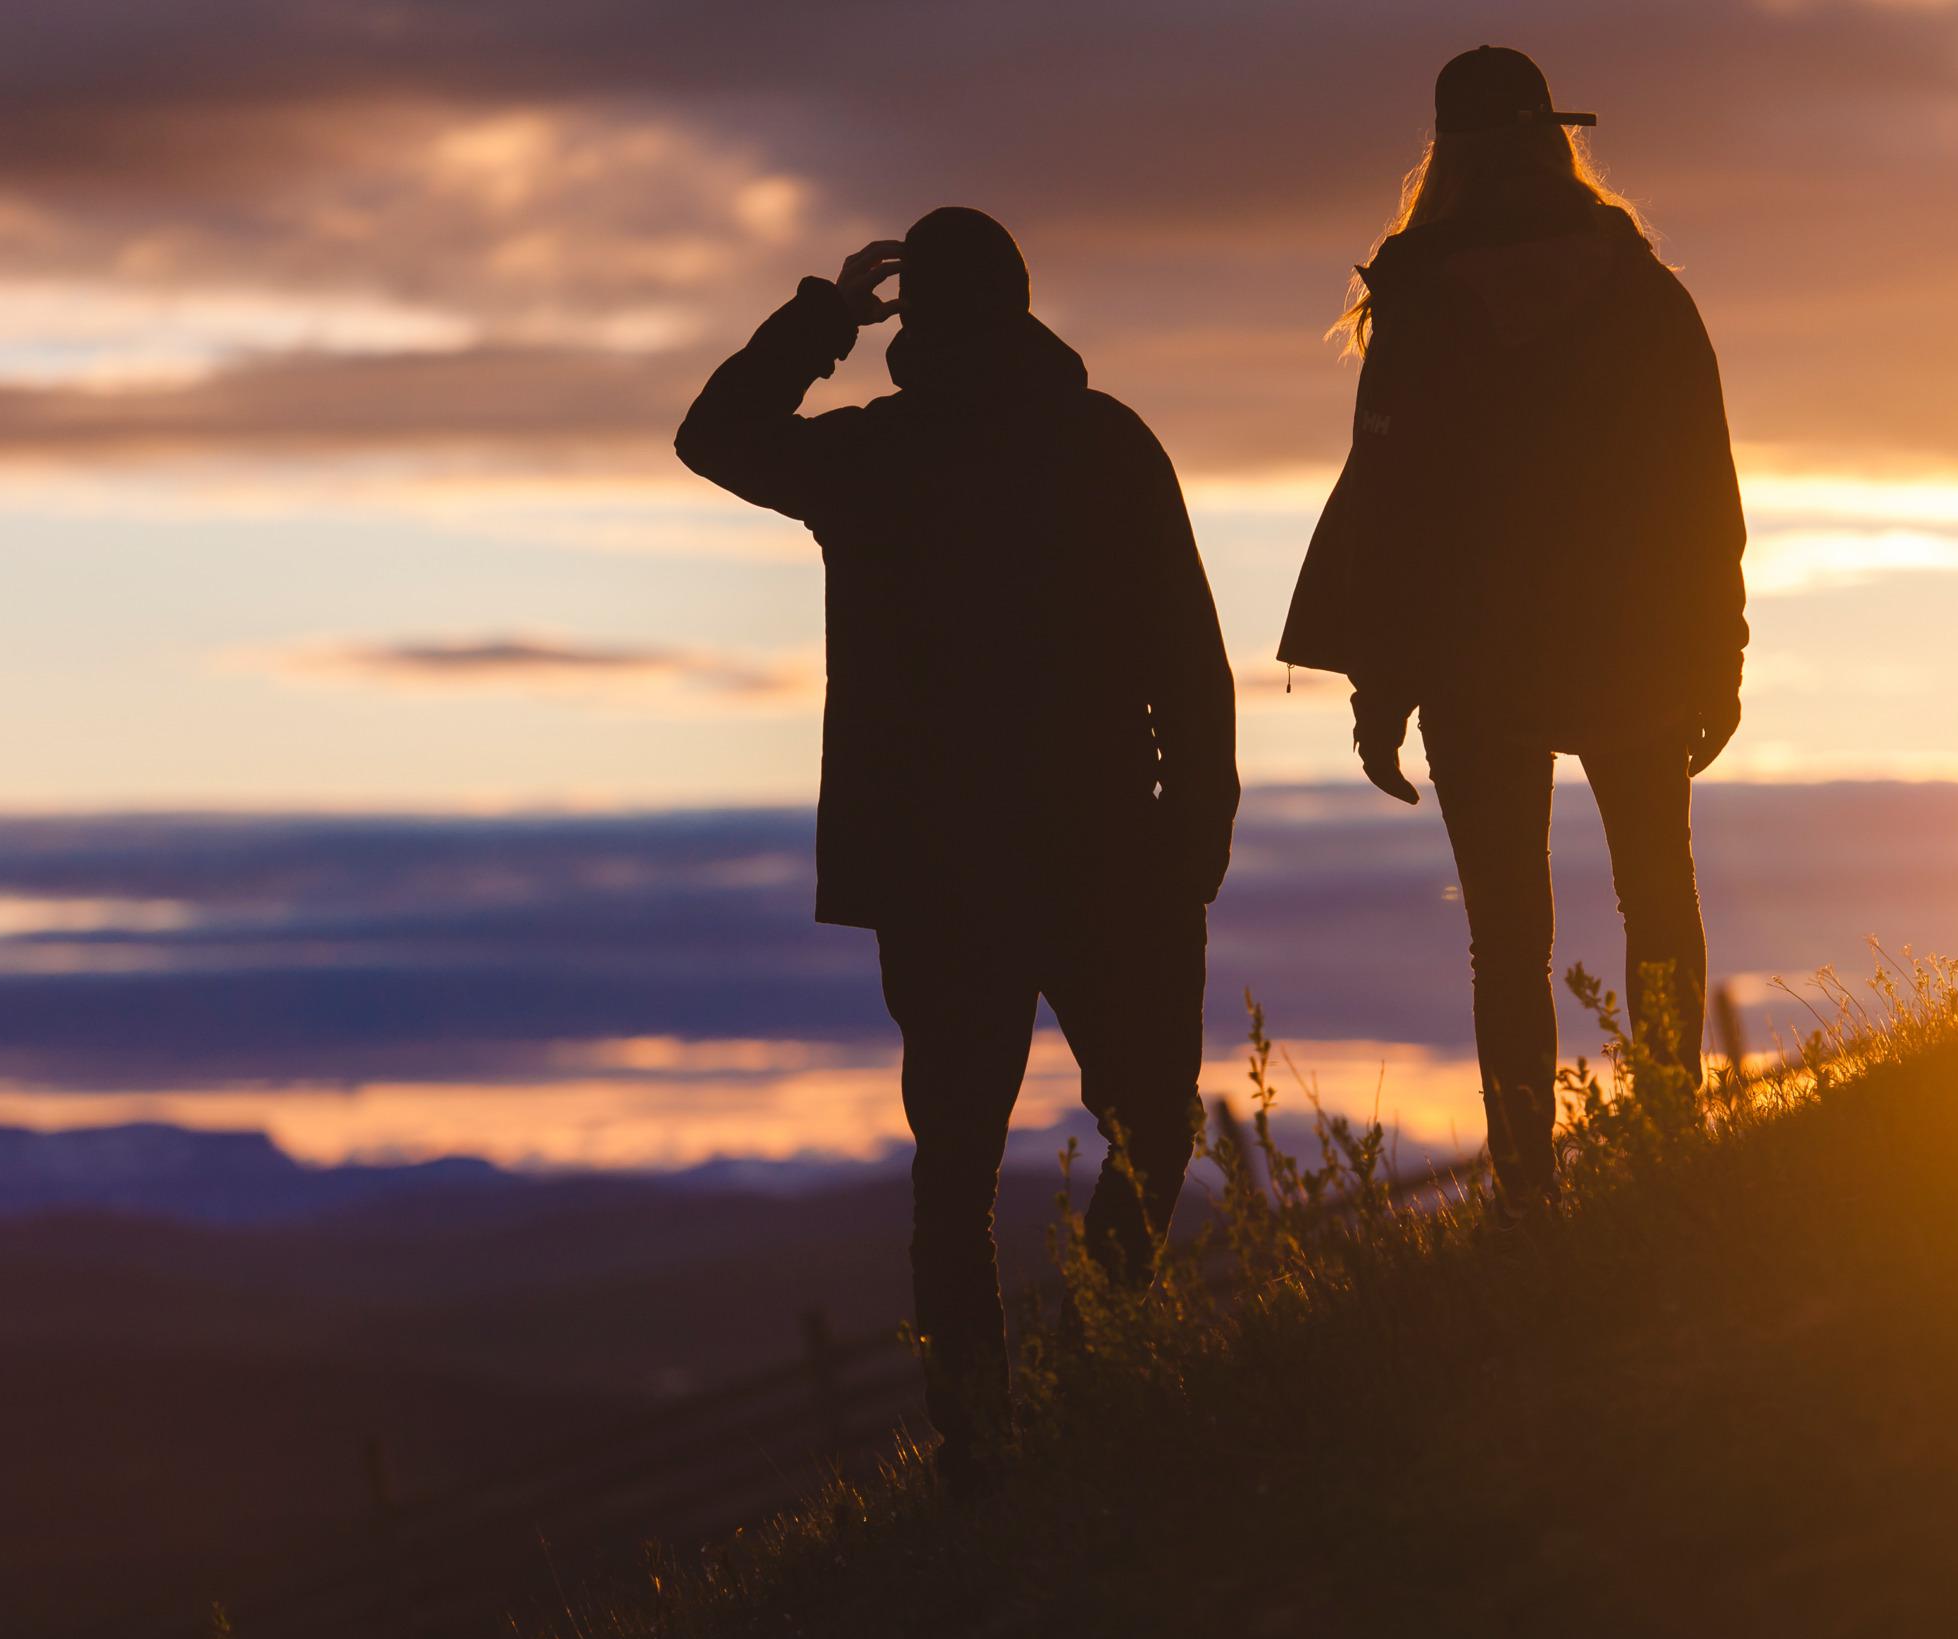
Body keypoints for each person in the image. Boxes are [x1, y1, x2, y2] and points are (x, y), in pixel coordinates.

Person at [675, 207, 1239, 1490]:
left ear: (911, 322)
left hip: (943, 867)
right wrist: (1194, 833)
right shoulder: (1102, 442)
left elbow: (712, 437)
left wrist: (826, 317)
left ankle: (985, 1435)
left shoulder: (878, 456)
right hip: (1106, 844)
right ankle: (1086, 1370)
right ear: (1026, 304)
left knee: (959, 1164)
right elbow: (1187, 657)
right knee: (1148, 1122)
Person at [1278, 47, 1748, 1212]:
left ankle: (1527, 1188)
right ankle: (1666, 1138)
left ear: (1444, 159)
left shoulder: (1419, 300)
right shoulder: (1640, 292)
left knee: (1506, 940)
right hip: (1632, 643)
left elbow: (1386, 504)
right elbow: (1702, 486)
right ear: (1554, 140)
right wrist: (1717, 652)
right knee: (1656, 891)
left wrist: (1377, 689)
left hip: (1470, 661)